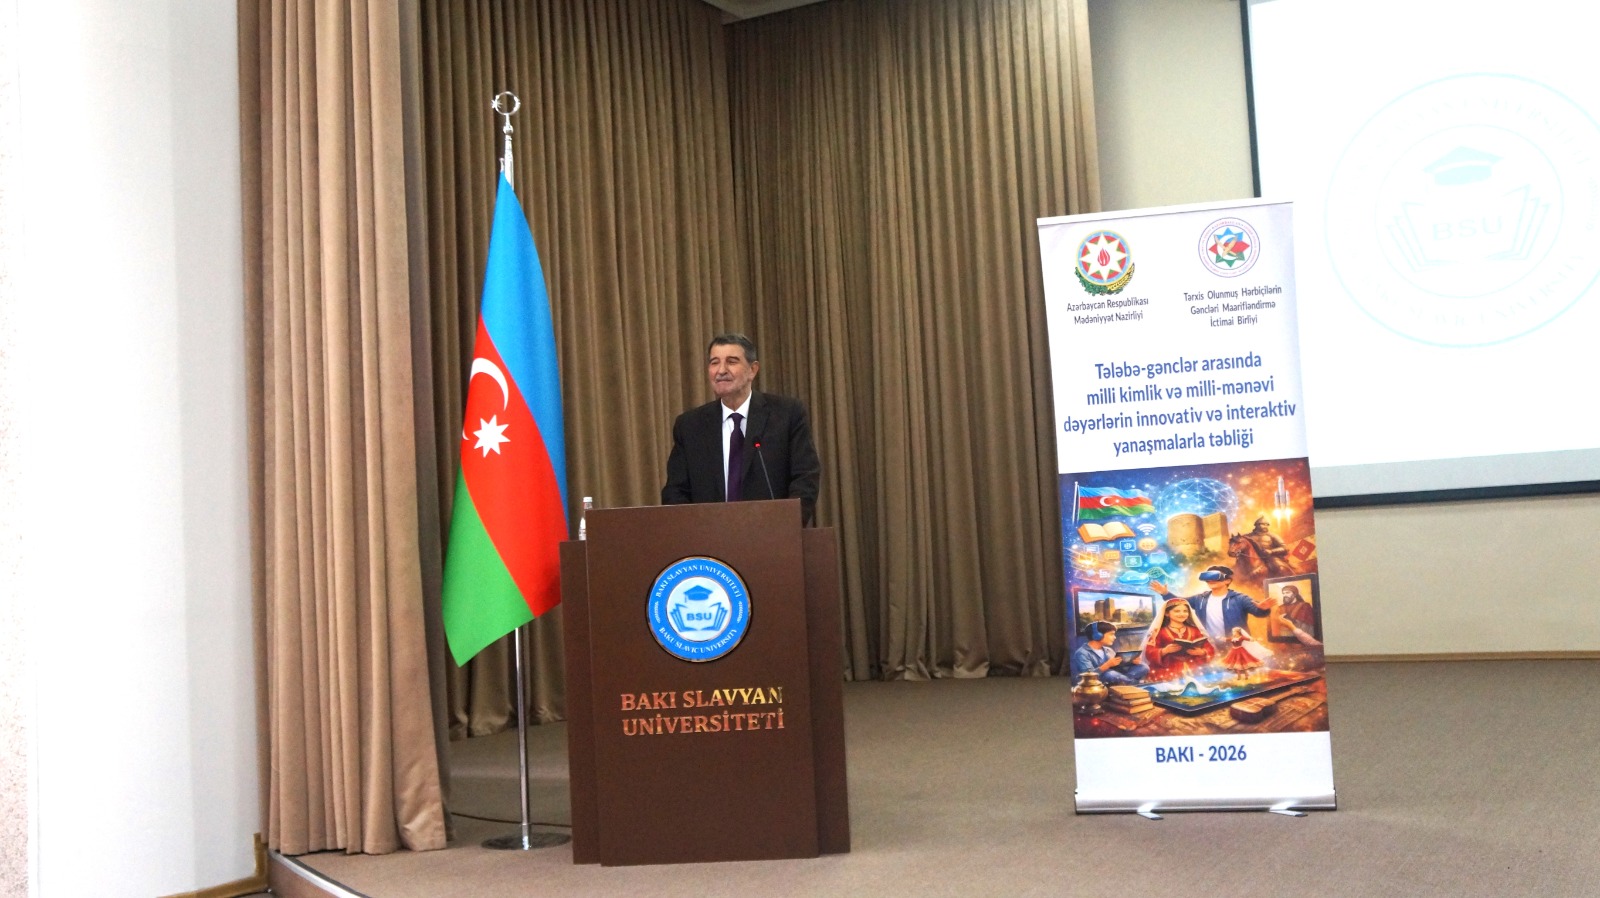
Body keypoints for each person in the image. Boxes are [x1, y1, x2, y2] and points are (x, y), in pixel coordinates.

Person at [662, 333, 822, 525]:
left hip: (773, 534)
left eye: (731, 362)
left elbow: (805, 478)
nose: (721, 370)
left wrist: (785, 526)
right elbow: (675, 492)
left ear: (752, 370)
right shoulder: (690, 426)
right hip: (709, 537)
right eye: (714, 362)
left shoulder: (786, 414)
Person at [1151, 564, 1274, 646]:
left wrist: (1263, 609)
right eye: (1208, 577)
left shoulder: (1240, 598)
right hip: (1208, 645)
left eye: (1216, 576)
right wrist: (1165, 593)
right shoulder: (1200, 598)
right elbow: (1180, 602)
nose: (1211, 580)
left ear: (1227, 580)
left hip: (1235, 644)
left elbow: (1258, 611)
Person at [1140, 598, 1216, 681]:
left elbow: (1210, 648)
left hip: (1194, 668)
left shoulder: (1195, 630)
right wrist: (1164, 651)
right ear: (1167, 613)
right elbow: (1149, 652)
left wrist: (1202, 652)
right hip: (1167, 670)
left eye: (1185, 611)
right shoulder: (1159, 632)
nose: (1182, 614)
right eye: (1177, 611)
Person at [1070, 621, 1149, 686]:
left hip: (1115, 677)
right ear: (1098, 636)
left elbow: (1119, 668)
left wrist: (1131, 663)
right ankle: (1135, 684)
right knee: (1110, 674)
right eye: (1111, 634)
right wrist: (1107, 665)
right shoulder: (1082, 653)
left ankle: (1126, 683)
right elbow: (1088, 676)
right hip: (1097, 683)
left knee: (1143, 666)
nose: (1114, 637)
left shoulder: (1108, 650)